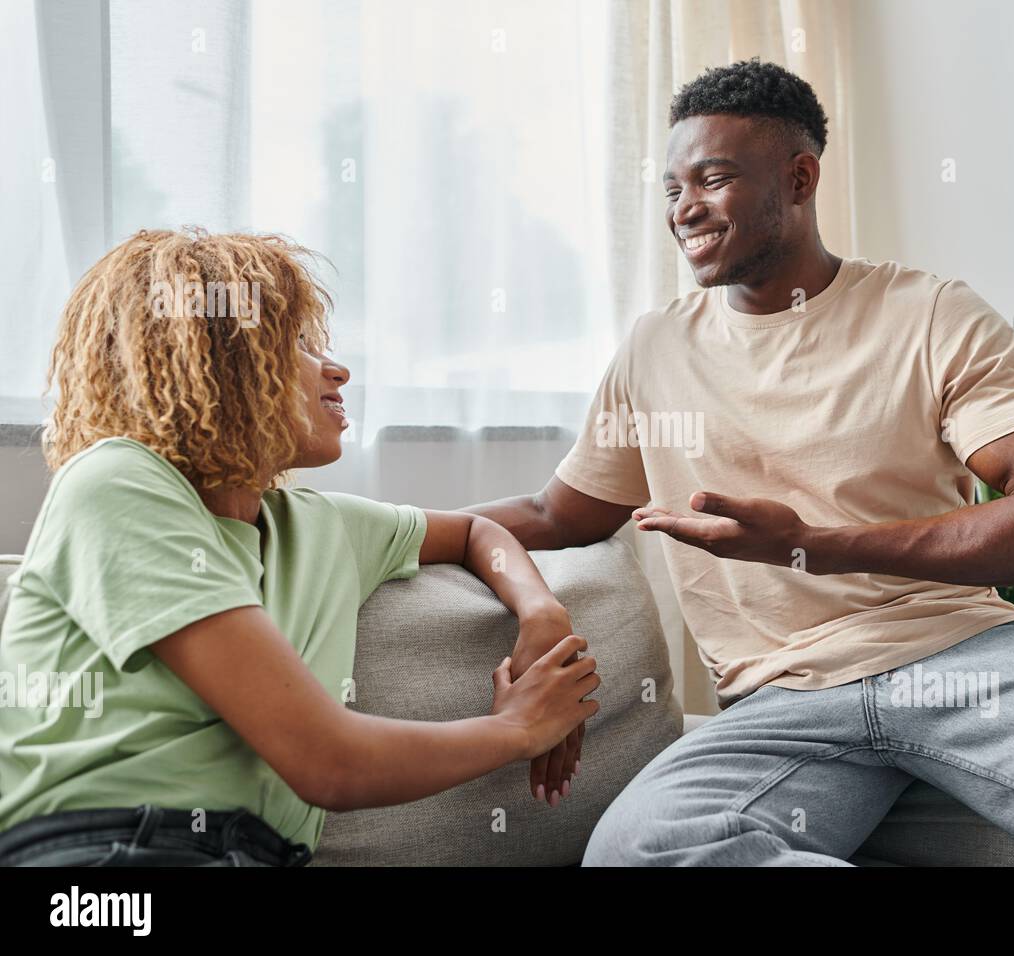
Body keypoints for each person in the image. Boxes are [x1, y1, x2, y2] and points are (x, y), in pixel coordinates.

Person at [467, 59, 1014, 866]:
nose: (686, 209)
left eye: (713, 180)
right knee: (641, 850)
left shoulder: (930, 313)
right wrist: (373, 527)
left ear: (798, 179)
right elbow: (557, 516)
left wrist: (815, 544)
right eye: (674, 189)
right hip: (783, 703)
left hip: (965, 656)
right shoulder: (653, 349)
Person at [0, 228, 597, 867]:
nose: (337, 368)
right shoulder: (116, 482)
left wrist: (541, 614)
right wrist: (517, 729)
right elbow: (327, 765)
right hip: (99, 857)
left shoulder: (322, 527)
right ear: (217, 359)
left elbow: (480, 533)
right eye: (298, 346)